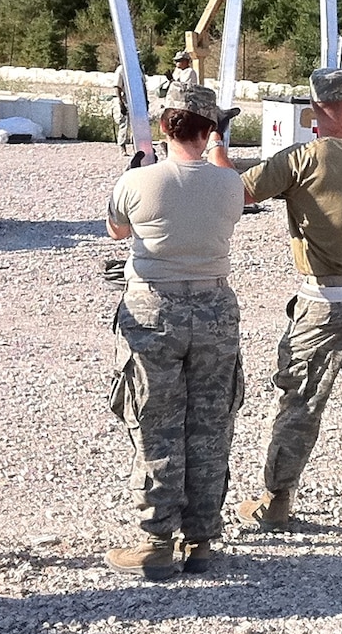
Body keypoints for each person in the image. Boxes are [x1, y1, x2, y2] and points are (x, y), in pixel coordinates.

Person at [234, 67, 342, 551]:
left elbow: (237, 192)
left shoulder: (300, 159)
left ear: (314, 111)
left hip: (325, 303)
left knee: (299, 404)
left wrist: (213, 152)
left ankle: (277, 500)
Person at [102, 82, 244, 580]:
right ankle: (202, 538)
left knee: (155, 422)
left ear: (166, 126)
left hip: (153, 307)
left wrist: (139, 171)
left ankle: (157, 539)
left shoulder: (138, 182)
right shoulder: (230, 184)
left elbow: (119, 230)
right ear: (211, 131)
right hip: (214, 305)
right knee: (210, 424)